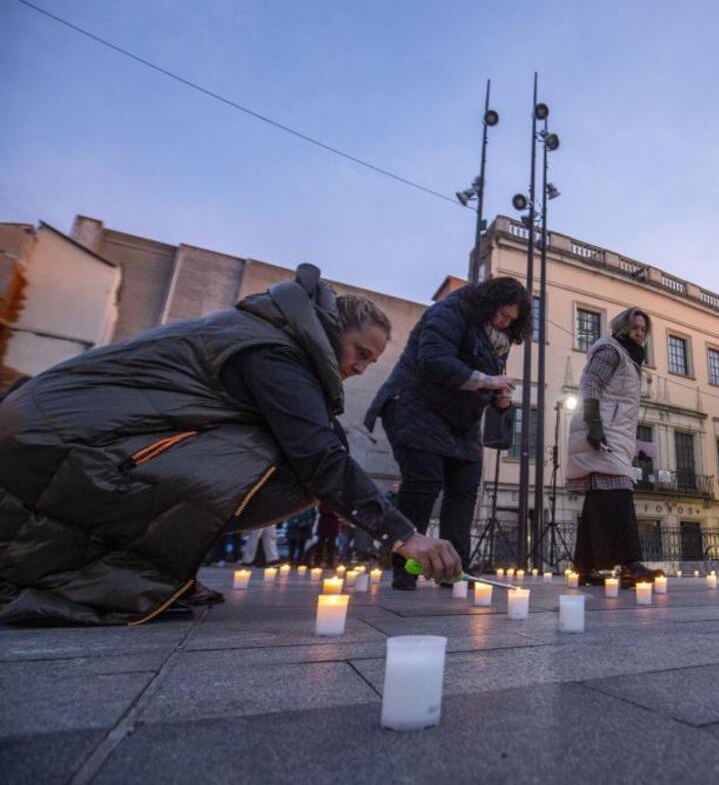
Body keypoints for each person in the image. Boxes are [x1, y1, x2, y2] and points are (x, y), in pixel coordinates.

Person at [0, 264, 459, 626]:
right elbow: (318, 454)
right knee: (295, 466)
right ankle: (114, 573)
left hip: (53, 436)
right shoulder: (273, 352)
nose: (362, 368)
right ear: (330, 329)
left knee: (298, 454)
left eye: (372, 362)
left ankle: (153, 568)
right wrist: (405, 535)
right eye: (360, 353)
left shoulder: (269, 336)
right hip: (48, 444)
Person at [365, 276, 528, 590]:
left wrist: (501, 398)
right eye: (501, 314)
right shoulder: (453, 310)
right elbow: (434, 360)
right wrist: (488, 381)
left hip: (460, 421)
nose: (503, 322)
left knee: (465, 488)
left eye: (510, 320)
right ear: (489, 301)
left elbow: (486, 381)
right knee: (423, 484)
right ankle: (405, 570)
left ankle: (454, 570)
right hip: (415, 403)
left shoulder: (497, 341)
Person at [566, 307, 662, 588]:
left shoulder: (630, 358)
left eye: (644, 329)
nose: (640, 333)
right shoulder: (611, 350)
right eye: (635, 327)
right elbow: (590, 384)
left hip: (615, 433)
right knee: (619, 491)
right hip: (603, 431)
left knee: (599, 497)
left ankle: (583, 566)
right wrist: (595, 423)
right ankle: (630, 564)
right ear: (622, 327)